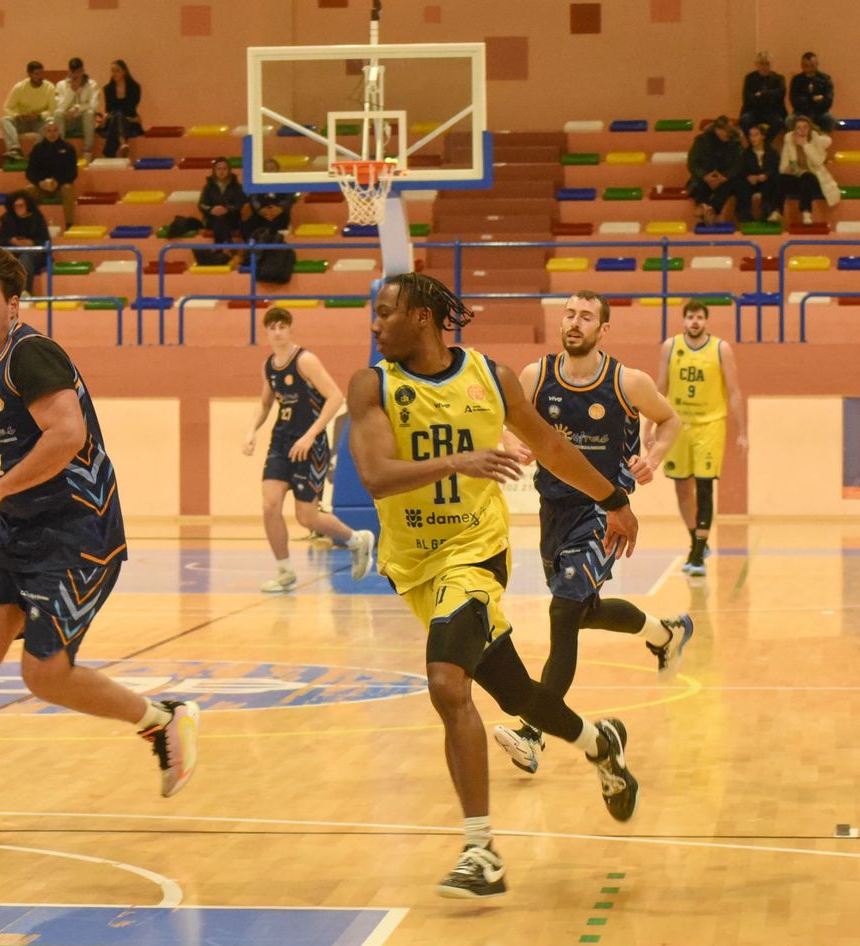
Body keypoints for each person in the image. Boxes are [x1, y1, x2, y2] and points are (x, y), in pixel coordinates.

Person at [0, 245, 199, 837]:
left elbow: (68, 434)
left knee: (43, 673)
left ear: (14, 305)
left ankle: (160, 720)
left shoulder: (33, 355)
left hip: (79, 529)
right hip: (22, 529)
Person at [346, 272, 641, 898]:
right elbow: (376, 475)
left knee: (446, 682)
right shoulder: (372, 384)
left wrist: (614, 498)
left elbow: (553, 448)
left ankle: (481, 852)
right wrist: (460, 460)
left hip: (473, 555)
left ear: (422, 316)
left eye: (385, 312)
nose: (375, 324)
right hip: (414, 566)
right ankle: (598, 742)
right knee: (516, 696)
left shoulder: (491, 377)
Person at [492, 292, 692, 777]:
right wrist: (514, 442)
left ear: (604, 328)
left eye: (586, 316)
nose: (574, 323)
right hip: (552, 511)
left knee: (563, 614)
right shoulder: (536, 376)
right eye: (569, 315)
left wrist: (654, 457)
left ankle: (532, 732)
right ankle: (666, 632)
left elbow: (670, 420)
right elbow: (505, 419)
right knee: (584, 612)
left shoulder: (628, 382)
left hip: (603, 512)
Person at [240, 307, 374, 592]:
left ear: (290, 330)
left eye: (282, 327)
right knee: (269, 505)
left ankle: (356, 540)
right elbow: (265, 403)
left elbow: (336, 396)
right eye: (272, 327)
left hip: (310, 445)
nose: (277, 332)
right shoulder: (269, 366)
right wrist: (251, 431)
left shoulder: (305, 360)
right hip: (281, 442)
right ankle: (285, 571)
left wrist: (311, 435)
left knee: (306, 517)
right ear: (266, 332)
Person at [654, 299, 748, 576]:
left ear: (706, 322)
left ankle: (697, 554)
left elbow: (734, 391)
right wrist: (650, 425)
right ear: (683, 321)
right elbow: (660, 386)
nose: (694, 322)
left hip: (710, 424)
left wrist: (742, 431)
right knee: (682, 487)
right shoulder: (671, 347)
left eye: (699, 317)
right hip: (677, 424)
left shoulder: (721, 349)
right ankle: (696, 537)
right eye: (690, 317)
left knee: (705, 485)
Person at [777, 114, 839, 225]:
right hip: (796, 179)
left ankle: (806, 214)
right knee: (781, 178)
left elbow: (818, 162)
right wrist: (788, 169)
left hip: (815, 180)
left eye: (805, 127)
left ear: (810, 128)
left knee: (807, 177)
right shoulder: (789, 141)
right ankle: (777, 212)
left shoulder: (816, 141)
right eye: (798, 128)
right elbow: (782, 168)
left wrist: (805, 145)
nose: (802, 130)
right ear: (794, 130)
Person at [686, 117, 744, 225]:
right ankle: (706, 208)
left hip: (726, 178)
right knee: (699, 186)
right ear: (718, 130)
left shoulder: (735, 142)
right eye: (725, 131)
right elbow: (692, 164)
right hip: (704, 176)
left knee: (732, 184)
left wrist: (724, 177)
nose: (727, 134)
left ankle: (709, 209)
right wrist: (705, 176)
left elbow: (738, 165)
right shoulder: (701, 141)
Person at [23, 119, 79, 230]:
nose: (52, 134)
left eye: (55, 130)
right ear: (44, 133)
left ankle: (69, 224)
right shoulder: (37, 149)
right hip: (42, 188)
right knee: (27, 191)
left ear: (59, 132)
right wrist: (40, 183)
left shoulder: (68, 148)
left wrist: (58, 182)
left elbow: (73, 173)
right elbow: (29, 172)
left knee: (67, 189)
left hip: (61, 187)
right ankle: (29, 225)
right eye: (49, 131)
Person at [0, 189, 51, 294]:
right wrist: (11, 241)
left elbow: (45, 240)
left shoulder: (37, 218)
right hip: (13, 252)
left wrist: (32, 243)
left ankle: (24, 293)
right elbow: (1, 239)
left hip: (35, 254)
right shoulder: (7, 219)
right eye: (16, 206)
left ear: (28, 205)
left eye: (21, 205)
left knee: (25, 258)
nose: (18, 209)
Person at [1, 60, 57, 161]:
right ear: (29, 74)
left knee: (50, 122)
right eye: (36, 74)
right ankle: (14, 149)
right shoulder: (19, 87)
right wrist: (17, 115)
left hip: (39, 122)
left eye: (41, 73)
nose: (40, 76)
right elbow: (7, 107)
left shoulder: (49, 87)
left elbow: (53, 109)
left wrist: (39, 115)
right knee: (4, 120)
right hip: (22, 121)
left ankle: (36, 151)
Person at [732, 124, 779, 223]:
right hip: (751, 183)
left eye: (756, 135)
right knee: (739, 183)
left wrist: (766, 175)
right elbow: (741, 170)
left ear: (763, 136)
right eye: (751, 135)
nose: (753, 138)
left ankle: (767, 212)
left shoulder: (772, 152)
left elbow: (775, 168)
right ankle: (745, 215)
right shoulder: (746, 153)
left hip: (767, 182)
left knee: (773, 181)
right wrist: (749, 177)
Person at [55, 57, 100, 161]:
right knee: (58, 113)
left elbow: (94, 106)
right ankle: (61, 148)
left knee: (89, 113)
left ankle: (87, 151)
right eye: (73, 72)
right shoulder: (61, 85)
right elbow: (60, 107)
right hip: (68, 121)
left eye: (79, 72)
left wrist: (78, 108)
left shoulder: (91, 84)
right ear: (69, 71)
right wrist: (71, 90)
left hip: (83, 121)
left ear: (83, 71)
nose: (76, 75)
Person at [97, 59, 143, 159]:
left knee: (120, 115)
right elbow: (109, 109)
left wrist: (133, 118)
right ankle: (122, 142)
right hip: (114, 118)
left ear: (124, 71)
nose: (114, 73)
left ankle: (109, 152)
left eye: (117, 70)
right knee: (118, 115)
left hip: (129, 120)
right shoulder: (108, 88)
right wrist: (104, 118)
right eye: (112, 71)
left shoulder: (134, 87)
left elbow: (132, 108)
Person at [199, 158, 247, 253]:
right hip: (212, 219)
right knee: (219, 219)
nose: (221, 171)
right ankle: (229, 243)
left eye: (224, 169)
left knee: (222, 218)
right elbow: (202, 204)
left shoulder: (236, 187)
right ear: (214, 170)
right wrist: (212, 209)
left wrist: (227, 209)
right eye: (219, 169)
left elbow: (240, 204)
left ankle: (219, 248)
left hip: (232, 219)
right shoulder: (208, 187)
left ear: (229, 170)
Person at [739, 52, 786, 137]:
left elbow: (779, 95)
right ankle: (752, 144)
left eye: (767, 64)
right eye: (761, 64)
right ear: (756, 64)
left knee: (778, 122)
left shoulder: (779, 78)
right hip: (753, 111)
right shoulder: (749, 78)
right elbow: (747, 98)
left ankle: (765, 144)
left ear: (771, 65)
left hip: (772, 111)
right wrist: (769, 96)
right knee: (744, 120)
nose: (764, 67)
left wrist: (761, 95)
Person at [789, 52, 835, 133]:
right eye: (806, 65)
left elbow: (829, 100)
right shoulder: (796, 80)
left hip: (820, 112)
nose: (809, 68)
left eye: (812, 65)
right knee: (789, 121)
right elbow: (794, 100)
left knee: (830, 120)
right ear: (802, 65)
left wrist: (812, 101)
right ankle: (798, 142)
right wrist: (813, 99)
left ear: (817, 64)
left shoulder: (825, 79)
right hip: (801, 112)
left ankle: (821, 141)